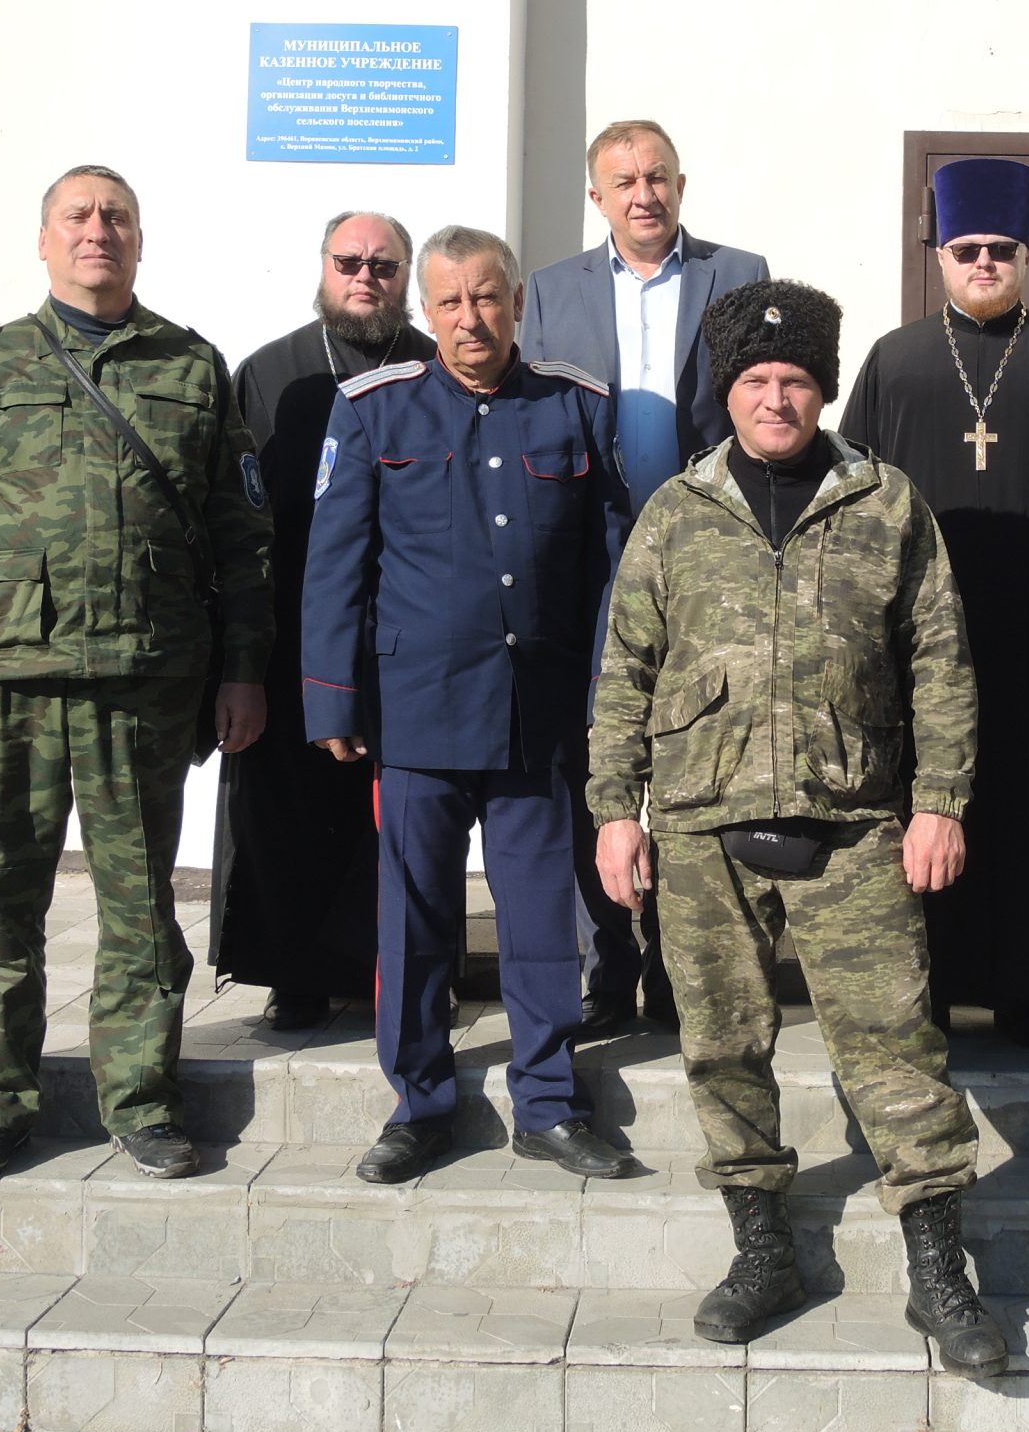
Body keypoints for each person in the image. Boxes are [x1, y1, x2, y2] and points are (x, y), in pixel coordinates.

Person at [590, 280, 1008, 1379]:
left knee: (895, 1050)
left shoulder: (884, 504)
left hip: (856, 821)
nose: (775, 400)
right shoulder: (677, 513)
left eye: (795, 382)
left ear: (821, 390)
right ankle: (762, 1252)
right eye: (755, 381)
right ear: (728, 392)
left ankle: (937, 1271)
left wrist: (939, 802)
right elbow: (625, 670)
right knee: (722, 1048)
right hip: (699, 823)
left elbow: (939, 661)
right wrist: (611, 813)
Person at [0, 164, 272, 1182]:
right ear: (45, 239)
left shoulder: (191, 368)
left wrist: (243, 670)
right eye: (78, 216)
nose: (97, 230)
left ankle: (143, 1102)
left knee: (141, 908)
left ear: (139, 242)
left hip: (145, 687)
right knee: (1, 905)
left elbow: (242, 541)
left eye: (116, 217)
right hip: (13, 679)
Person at [302, 224, 637, 1185]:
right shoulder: (374, 411)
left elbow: (608, 572)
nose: (469, 318)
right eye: (448, 302)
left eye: (486, 298)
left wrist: (606, 702)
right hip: (415, 712)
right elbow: (337, 570)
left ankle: (546, 1101)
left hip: (536, 712)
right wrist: (333, 702)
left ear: (518, 303)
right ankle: (420, 1104)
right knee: (414, 922)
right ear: (426, 312)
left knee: (539, 920)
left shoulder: (573, 409)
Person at [841, 158, 1029, 1047]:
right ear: (939, 253)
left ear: (1025, 254)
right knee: (915, 828)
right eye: (966, 248)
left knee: (1027, 826)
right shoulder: (896, 363)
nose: (983, 263)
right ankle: (919, 1000)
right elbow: (848, 509)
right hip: (915, 651)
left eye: (1000, 249)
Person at [523, 120, 771, 1037]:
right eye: (623, 181)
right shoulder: (549, 293)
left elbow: (759, 400)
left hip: (708, 549)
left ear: (680, 183)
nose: (643, 195)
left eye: (657, 177)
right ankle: (607, 965)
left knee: (703, 753)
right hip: (593, 557)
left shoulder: (738, 275)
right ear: (598, 197)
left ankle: (684, 968)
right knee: (604, 754)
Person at [208, 212, 436, 1032]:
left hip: (407, 636)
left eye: (383, 264)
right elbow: (239, 515)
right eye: (350, 262)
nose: (365, 277)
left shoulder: (433, 366)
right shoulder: (272, 372)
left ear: (406, 274)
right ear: (324, 266)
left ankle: (399, 972)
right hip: (294, 631)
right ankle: (295, 974)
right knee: (290, 816)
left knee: (402, 818)